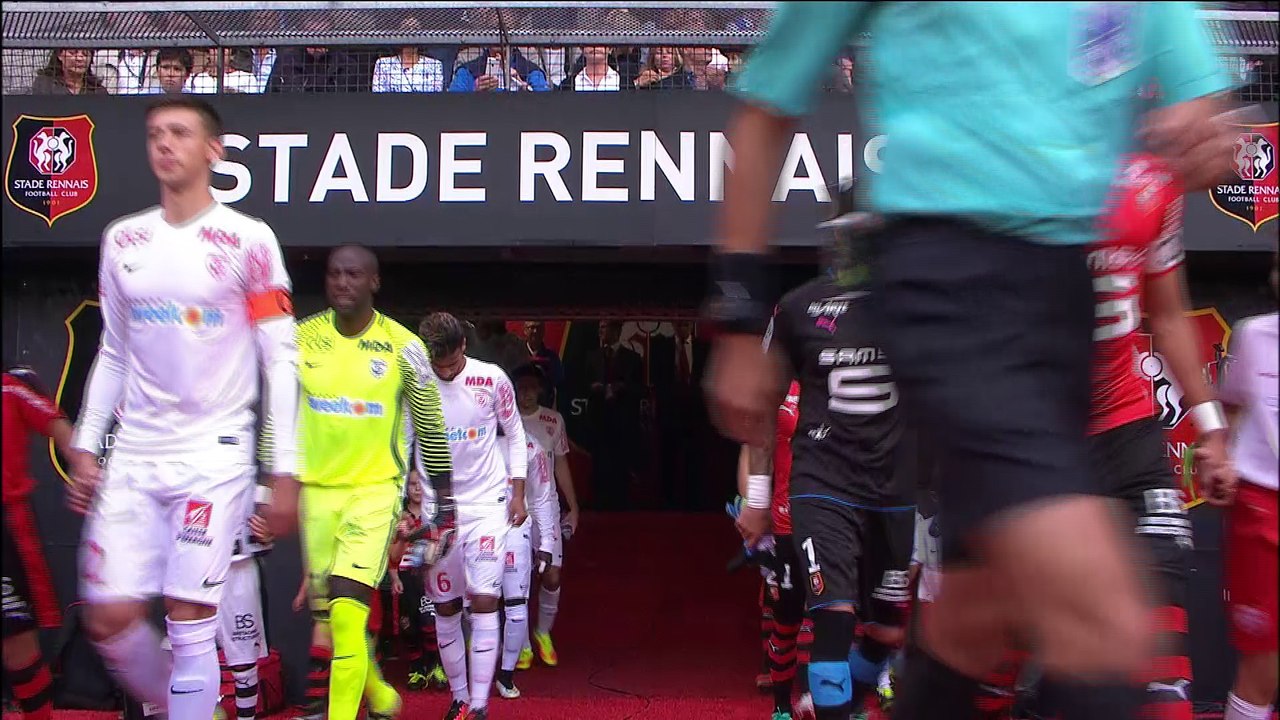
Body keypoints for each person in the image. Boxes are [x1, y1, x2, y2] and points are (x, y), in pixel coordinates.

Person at [703, 5, 1237, 719]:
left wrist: (1204, 126)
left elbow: (1204, 103)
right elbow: (767, 100)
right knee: (1106, 625)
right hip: (949, 278)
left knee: (973, 623)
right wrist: (740, 315)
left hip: (1064, 305)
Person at [968, 153, 1234, 719]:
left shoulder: (1153, 182)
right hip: (1036, 442)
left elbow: (1166, 315)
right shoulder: (1007, 164)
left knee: (1165, 659)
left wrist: (1211, 429)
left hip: (1128, 434)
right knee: (1005, 649)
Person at [64, 96, 297, 720]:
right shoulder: (124, 240)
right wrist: (87, 442)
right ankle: (187, 707)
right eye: (155, 134)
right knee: (109, 618)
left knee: (189, 614)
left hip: (212, 454)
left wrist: (284, 471)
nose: (164, 144)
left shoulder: (248, 240)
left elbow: (281, 358)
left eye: (180, 133)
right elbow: (113, 352)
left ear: (213, 150)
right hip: (135, 456)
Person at [284, 244, 455, 720]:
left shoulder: (406, 347)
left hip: (376, 492)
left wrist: (445, 500)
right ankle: (379, 694)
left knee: (348, 610)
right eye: (335, 274)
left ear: (374, 282)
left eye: (354, 275)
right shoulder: (301, 339)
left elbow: (431, 424)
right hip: (316, 495)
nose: (343, 283)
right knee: (331, 620)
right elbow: (277, 412)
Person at [417, 311, 528, 720]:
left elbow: (514, 432)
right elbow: (403, 441)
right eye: (437, 365)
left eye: (449, 364)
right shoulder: (417, 381)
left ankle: (480, 705)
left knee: (485, 599)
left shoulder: (492, 379)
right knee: (445, 606)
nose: (444, 372)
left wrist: (518, 493)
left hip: (486, 504)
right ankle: (459, 698)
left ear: (464, 345)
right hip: (437, 508)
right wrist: (409, 505)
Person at [1219, 253, 1278, 720]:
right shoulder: (1254, 335)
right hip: (1262, 510)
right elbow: (1232, 410)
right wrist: (1217, 457)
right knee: (1262, 666)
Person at [737, 380, 817, 720]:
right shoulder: (777, 383)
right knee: (786, 618)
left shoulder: (841, 373)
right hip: (785, 521)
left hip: (832, 520)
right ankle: (782, 708)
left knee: (831, 610)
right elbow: (756, 446)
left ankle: (822, 697)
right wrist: (755, 504)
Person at [2, 368, 75, 720]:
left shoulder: (10, 389)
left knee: (17, 641)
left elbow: (59, 427)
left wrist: (85, 467)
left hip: (5, 526)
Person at [511, 363, 580, 668]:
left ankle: (542, 633)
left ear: (540, 389)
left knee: (551, 574)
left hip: (547, 506)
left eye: (530, 387)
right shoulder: (505, 419)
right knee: (519, 578)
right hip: (513, 506)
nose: (525, 393)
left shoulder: (553, 420)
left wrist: (573, 506)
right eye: (520, 387)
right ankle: (522, 644)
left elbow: (561, 464)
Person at [495, 432, 553, 699]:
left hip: (516, 530)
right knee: (474, 605)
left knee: (516, 606)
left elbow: (541, 497)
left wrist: (547, 543)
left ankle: (505, 675)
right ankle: (473, 676)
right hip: (475, 528)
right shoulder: (471, 433)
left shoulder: (531, 444)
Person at [387, 473, 445, 692]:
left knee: (430, 624)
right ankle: (417, 668)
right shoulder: (399, 518)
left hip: (429, 577)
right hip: (405, 577)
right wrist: (393, 577)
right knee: (408, 626)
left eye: (421, 484)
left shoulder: (435, 516)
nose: (417, 489)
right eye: (412, 485)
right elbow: (391, 554)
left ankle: (436, 666)